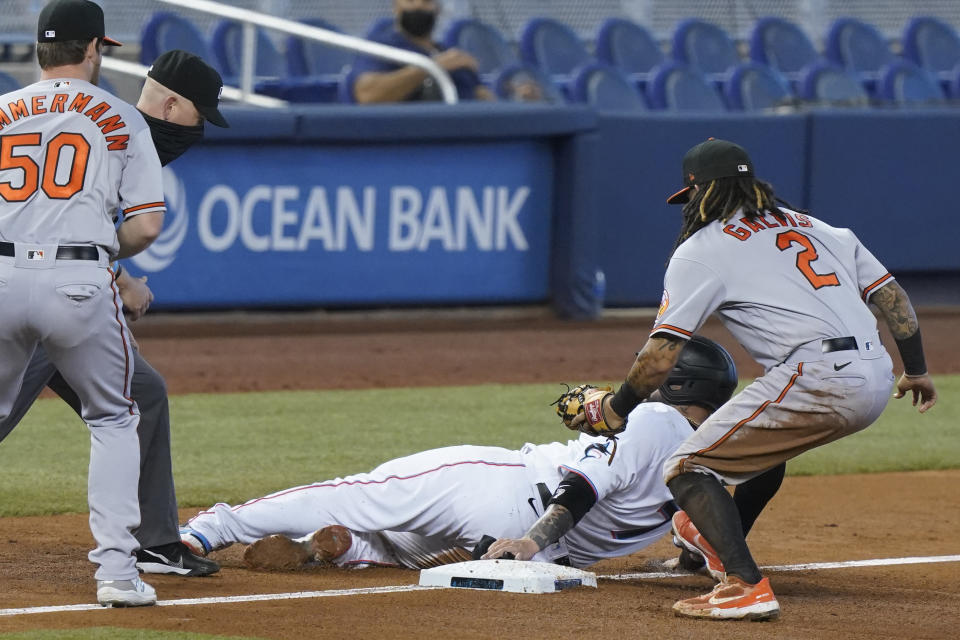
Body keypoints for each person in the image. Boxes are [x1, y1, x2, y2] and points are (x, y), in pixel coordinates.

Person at [567, 138, 937, 621]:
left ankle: (745, 585)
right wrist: (917, 369)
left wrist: (616, 409)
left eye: (691, 196)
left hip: (819, 375)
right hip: (876, 373)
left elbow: (660, 356)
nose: (690, 208)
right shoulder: (821, 228)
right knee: (761, 451)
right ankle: (706, 543)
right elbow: (895, 301)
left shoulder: (702, 249)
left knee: (687, 466)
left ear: (703, 192)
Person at [178, 337, 737, 573]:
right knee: (403, 552)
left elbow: (584, 484)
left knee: (362, 495)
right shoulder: (710, 455)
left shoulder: (652, 420)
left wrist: (531, 536)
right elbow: (698, 514)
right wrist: (697, 555)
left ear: (679, 385)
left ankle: (212, 528)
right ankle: (341, 552)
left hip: (508, 496)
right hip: (536, 562)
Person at [0, 48, 228, 582]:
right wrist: (115, 274)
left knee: (142, 394)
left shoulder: (92, 118)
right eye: (200, 114)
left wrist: (114, 274)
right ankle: (126, 563)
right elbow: (73, 228)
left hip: (49, 287)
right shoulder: (120, 128)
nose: (200, 130)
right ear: (174, 104)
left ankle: (155, 542)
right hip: (54, 297)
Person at [0, 0, 167, 606]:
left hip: (0, 274)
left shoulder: (2, 111)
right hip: (78, 281)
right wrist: (98, 246)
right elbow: (146, 227)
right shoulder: (120, 116)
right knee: (115, 418)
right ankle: (118, 574)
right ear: (92, 49)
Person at [352, 0, 494, 103]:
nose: (418, 5)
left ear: (437, 9)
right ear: (396, 6)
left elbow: (482, 97)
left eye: (426, 1)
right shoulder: (382, 48)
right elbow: (367, 95)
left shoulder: (451, 55)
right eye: (410, 1)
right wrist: (434, 66)